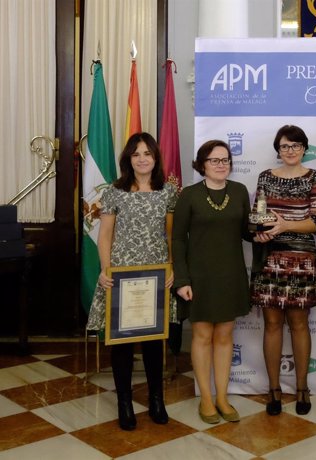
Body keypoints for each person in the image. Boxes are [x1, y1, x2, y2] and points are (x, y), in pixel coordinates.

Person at [85, 132, 177, 431]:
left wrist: (173, 267)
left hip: (156, 276)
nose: (142, 158)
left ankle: (156, 400)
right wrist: (105, 270)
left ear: (155, 158)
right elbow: (106, 236)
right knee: (121, 344)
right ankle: (124, 403)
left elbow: (172, 236)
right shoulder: (114, 192)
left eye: (147, 153)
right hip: (122, 277)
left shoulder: (168, 191)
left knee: (152, 342)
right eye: (136, 153)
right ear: (129, 158)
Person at [172, 140, 251, 424]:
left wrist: (263, 233)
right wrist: (181, 279)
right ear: (202, 164)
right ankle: (206, 397)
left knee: (225, 337)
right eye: (215, 160)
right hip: (199, 277)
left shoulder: (240, 191)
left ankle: (222, 397)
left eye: (225, 159)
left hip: (231, 274)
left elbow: (247, 232)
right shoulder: (189, 195)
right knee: (203, 336)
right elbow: (178, 239)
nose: (222, 164)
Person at [249, 125, 316, 416]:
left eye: (295, 145)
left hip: (301, 261)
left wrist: (285, 226)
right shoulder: (265, 177)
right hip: (270, 260)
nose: (290, 151)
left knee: (299, 324)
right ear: (277, 150)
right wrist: (261, 232)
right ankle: (273, 389)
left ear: (304, 148)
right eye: (284, 146)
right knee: (271, 325)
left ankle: (303, 387)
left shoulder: (314, 177)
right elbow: (259, 217)